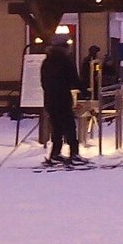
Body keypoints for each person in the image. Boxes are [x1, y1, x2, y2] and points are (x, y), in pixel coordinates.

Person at [41, 37, 86, 166]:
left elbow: (43, 82)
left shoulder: (47, 62)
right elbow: (74, 79)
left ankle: (55, 153)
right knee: (70, 126)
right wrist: (85, 91)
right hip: (63, 98)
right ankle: (74, 153)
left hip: (50, 99)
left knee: (56, 128)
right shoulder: (65, 61)